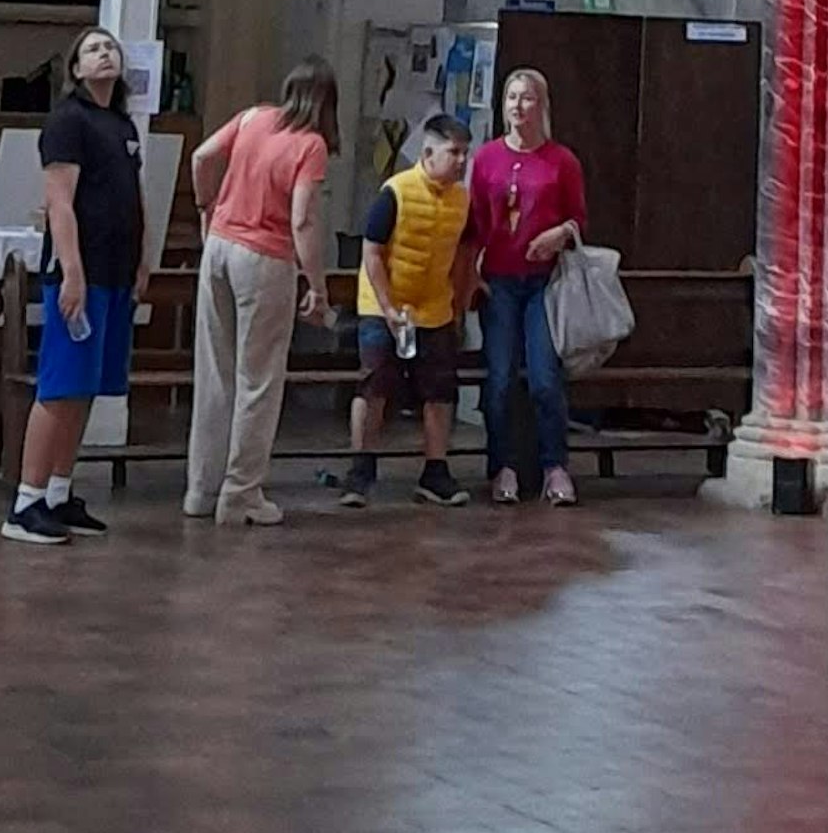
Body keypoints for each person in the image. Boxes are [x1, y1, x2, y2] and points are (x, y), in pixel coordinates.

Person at [5, 25, 145, 550]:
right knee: (60, 387)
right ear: (77, 69)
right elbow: (60, 201)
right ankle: (25, 501)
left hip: (116, 270)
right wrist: (72, 271)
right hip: (80, 271)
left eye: (110, 46)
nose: (105, 52)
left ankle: (60, 492)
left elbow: (132, 194)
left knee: (86, 388)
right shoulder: (68, 121)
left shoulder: (120, 124)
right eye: (93, 49)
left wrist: (141, 259)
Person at [183, 56, 338, 529]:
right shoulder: (311, 145)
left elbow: (202, 157)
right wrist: (317, 285)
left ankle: (200, 490)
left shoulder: (252, 117)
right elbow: (303, 220)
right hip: (266, 259)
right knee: (259, 380)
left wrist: (205, 206)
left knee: (215, 374)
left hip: (220, 247)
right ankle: (241, 495)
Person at [465, 65, 588, 506]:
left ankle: (555, 466)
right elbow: (474, 223)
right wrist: (469, 274)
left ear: (542, 105)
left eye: (527, 98)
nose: (519, 106)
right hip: (498, 281)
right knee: (499, 379)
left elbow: (579, 219)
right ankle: (503, 467)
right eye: (512, 98)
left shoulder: (562, 161)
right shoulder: (486, 159)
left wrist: (560, 234)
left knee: (543, 379)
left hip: (543, 285)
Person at [345, 114, 479, 505]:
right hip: (383, 303)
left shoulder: (462, 200)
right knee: (374, 384)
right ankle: (361, 470)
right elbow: (371, 252)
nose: (460, 162)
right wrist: (387, 307)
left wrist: (462, 294)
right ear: (428, 152)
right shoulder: (396, 192)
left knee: (439, 390)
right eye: (454, 152)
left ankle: (435, 472)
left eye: (465, 154)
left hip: (434, 307)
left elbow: (467, 249)